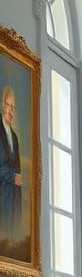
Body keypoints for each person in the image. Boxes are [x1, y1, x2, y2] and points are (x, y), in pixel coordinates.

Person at [0, 86, 23, 244]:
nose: (10, 110)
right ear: (2, 105)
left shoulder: (14, 137)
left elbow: (18, 169)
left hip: (15, 198)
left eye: (13, 107)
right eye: (8, 105)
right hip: (3, 196)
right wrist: (13, 176)